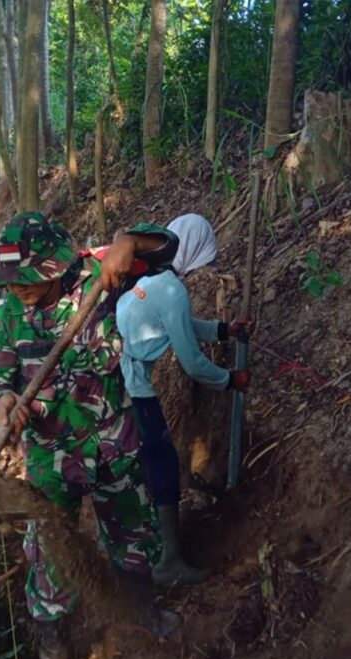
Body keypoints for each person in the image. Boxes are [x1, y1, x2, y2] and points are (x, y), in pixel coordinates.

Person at [0, 212, 180, 659]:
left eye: (29, 279)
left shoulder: (101, 283)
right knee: (50, 560)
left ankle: (140, 615)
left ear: (55, 266)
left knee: (133, 541)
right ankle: (54, 644)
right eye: (12, 281)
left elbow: (168, 247)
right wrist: (3, 404)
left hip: (115, 448)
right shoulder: (2, 318)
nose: (20, 289)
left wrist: (129, 240)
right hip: (50, 460)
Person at [115, 213, 252, 586]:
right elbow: (191, 362)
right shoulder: (172, 290)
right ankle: (168, 561)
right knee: (162, 467)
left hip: (128, 385)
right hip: (144, 392)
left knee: (146, 465)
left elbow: (178, 324)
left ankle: (147, 549)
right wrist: (230, 380)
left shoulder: (147, 280)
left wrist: (223, 330)